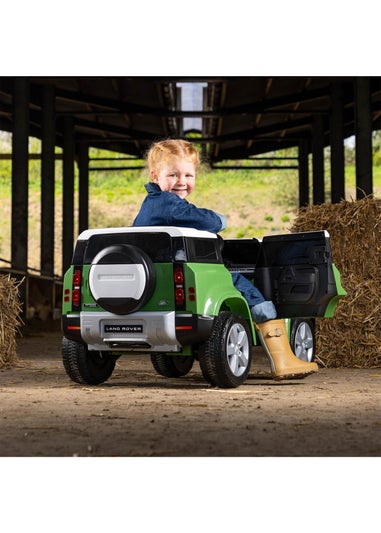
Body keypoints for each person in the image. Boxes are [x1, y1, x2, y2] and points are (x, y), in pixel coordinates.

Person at [133, 139, 318, 380]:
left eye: (188, 175)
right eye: (173, 175)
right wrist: (221, 220)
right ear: (155, 176)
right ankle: (282, 357)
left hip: (154, 276)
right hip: (185, 272)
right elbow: (209, 222)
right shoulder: (168, 204)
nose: (181, 182)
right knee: (244, 286)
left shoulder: (151, 205)